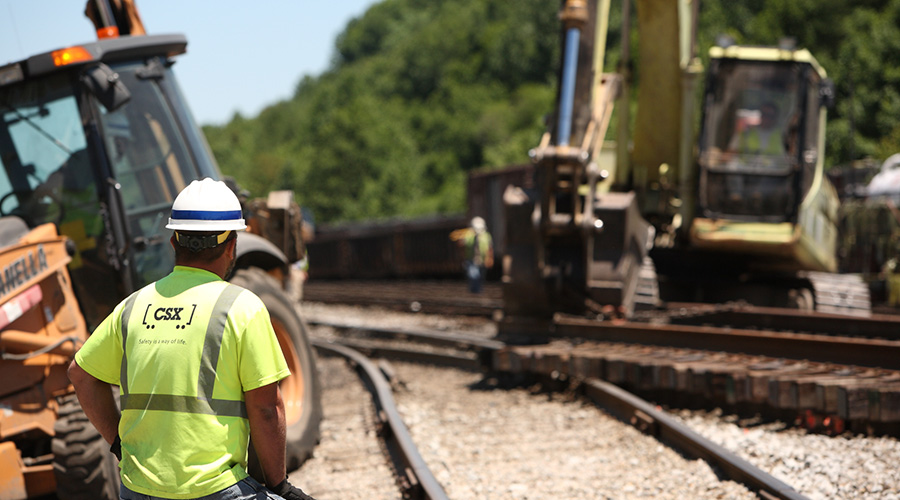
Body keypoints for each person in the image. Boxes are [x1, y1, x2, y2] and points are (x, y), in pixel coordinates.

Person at [67, 178, 316, 500]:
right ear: (231, 245)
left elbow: (80, 374)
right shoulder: (242, 307)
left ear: (174, 242)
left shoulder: (132, 306)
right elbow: (268, 408)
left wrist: (119, 444)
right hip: (215, 488)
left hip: (138, 488)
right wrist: (278, 485)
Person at [454, 216, 494, 293]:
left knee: (480, 276)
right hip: (471, 259)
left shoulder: (486, 236)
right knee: (473, 275)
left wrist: (490, 258)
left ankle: (478, 289)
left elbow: (489, 248)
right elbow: (461, 245)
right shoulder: (468, 235)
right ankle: (475, 290)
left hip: (482, 259)